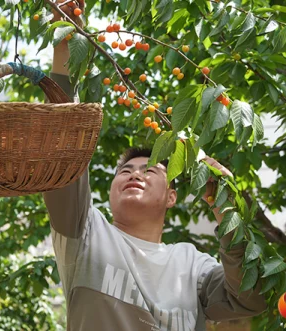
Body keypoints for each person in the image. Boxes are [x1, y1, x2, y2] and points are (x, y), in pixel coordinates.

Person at [43, 1, 267, 330]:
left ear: (172, 196)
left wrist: (228, 207)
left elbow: (252, 297)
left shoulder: (192, 265)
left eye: (150, 170)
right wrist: (65, 44)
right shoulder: (86, 234)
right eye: (125, 171)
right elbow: (64, 145)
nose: (134, 173)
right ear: (109, 191)